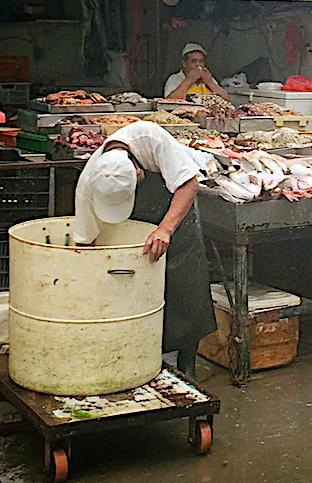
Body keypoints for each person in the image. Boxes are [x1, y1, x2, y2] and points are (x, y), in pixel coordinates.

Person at [73, 120, 216, 377]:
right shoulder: (88, 183)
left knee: (186, 289)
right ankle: (144, 362)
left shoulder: (150, 137)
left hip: (175, 218)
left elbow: (189, 184)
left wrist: (165, 229)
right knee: (136, 297)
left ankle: (187, 368)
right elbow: (85, 241)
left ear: (137, 173)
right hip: (136, 227)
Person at [164, 43, 229, 101]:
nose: (198, 65)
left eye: (201, 61)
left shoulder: (208, 78)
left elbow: (226, 99)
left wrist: (210, 82)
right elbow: (169, 101)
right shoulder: (174, 79)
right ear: (184, 63)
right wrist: (189, 80)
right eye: (193, 61)